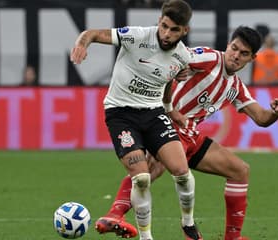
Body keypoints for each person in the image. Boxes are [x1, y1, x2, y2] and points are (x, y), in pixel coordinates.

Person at [95, 26, 278, 240]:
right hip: (166, 122)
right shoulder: (209, 58)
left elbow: (260, 117)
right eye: (234, 48)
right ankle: (115, 215)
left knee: (240, 171)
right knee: (151, 168)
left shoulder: (235, 87)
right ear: (228, 45)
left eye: (243, 54)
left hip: (191, 134)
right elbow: (173, 57)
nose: (236, 55)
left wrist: (274, 114)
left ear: (252, 58)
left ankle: (233, 237)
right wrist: (177, 74)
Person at [70, 1, 203, 240]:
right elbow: (92, 33)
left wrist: (169, 108)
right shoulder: (137, 36)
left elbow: (167, 81)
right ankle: (146, 237)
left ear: (185, 31)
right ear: (159, 21)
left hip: (153, 113)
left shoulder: (183, 56)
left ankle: (188, 224)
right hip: (121, 113)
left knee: (182, 171)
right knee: (141, 178)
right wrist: (82, 43)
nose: (166, 33)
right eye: (164, 26)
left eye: (174, 30)